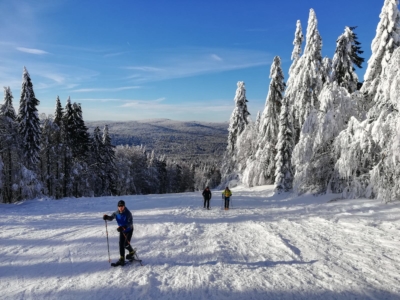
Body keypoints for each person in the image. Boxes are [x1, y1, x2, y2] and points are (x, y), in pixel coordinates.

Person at [103, 200, 135, 266]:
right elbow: (111, 218)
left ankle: (132, 252)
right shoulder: (116, 213)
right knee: (121, 244)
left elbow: (130, 223)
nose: (121, 207)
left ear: (124, 206)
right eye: (119, 206)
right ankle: (122, 259)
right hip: (122, 230)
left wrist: (124, 227)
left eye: (122, 206)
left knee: (126, 244)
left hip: (129, 230)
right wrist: (107, 217)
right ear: (118, 207)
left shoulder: (128, 213)